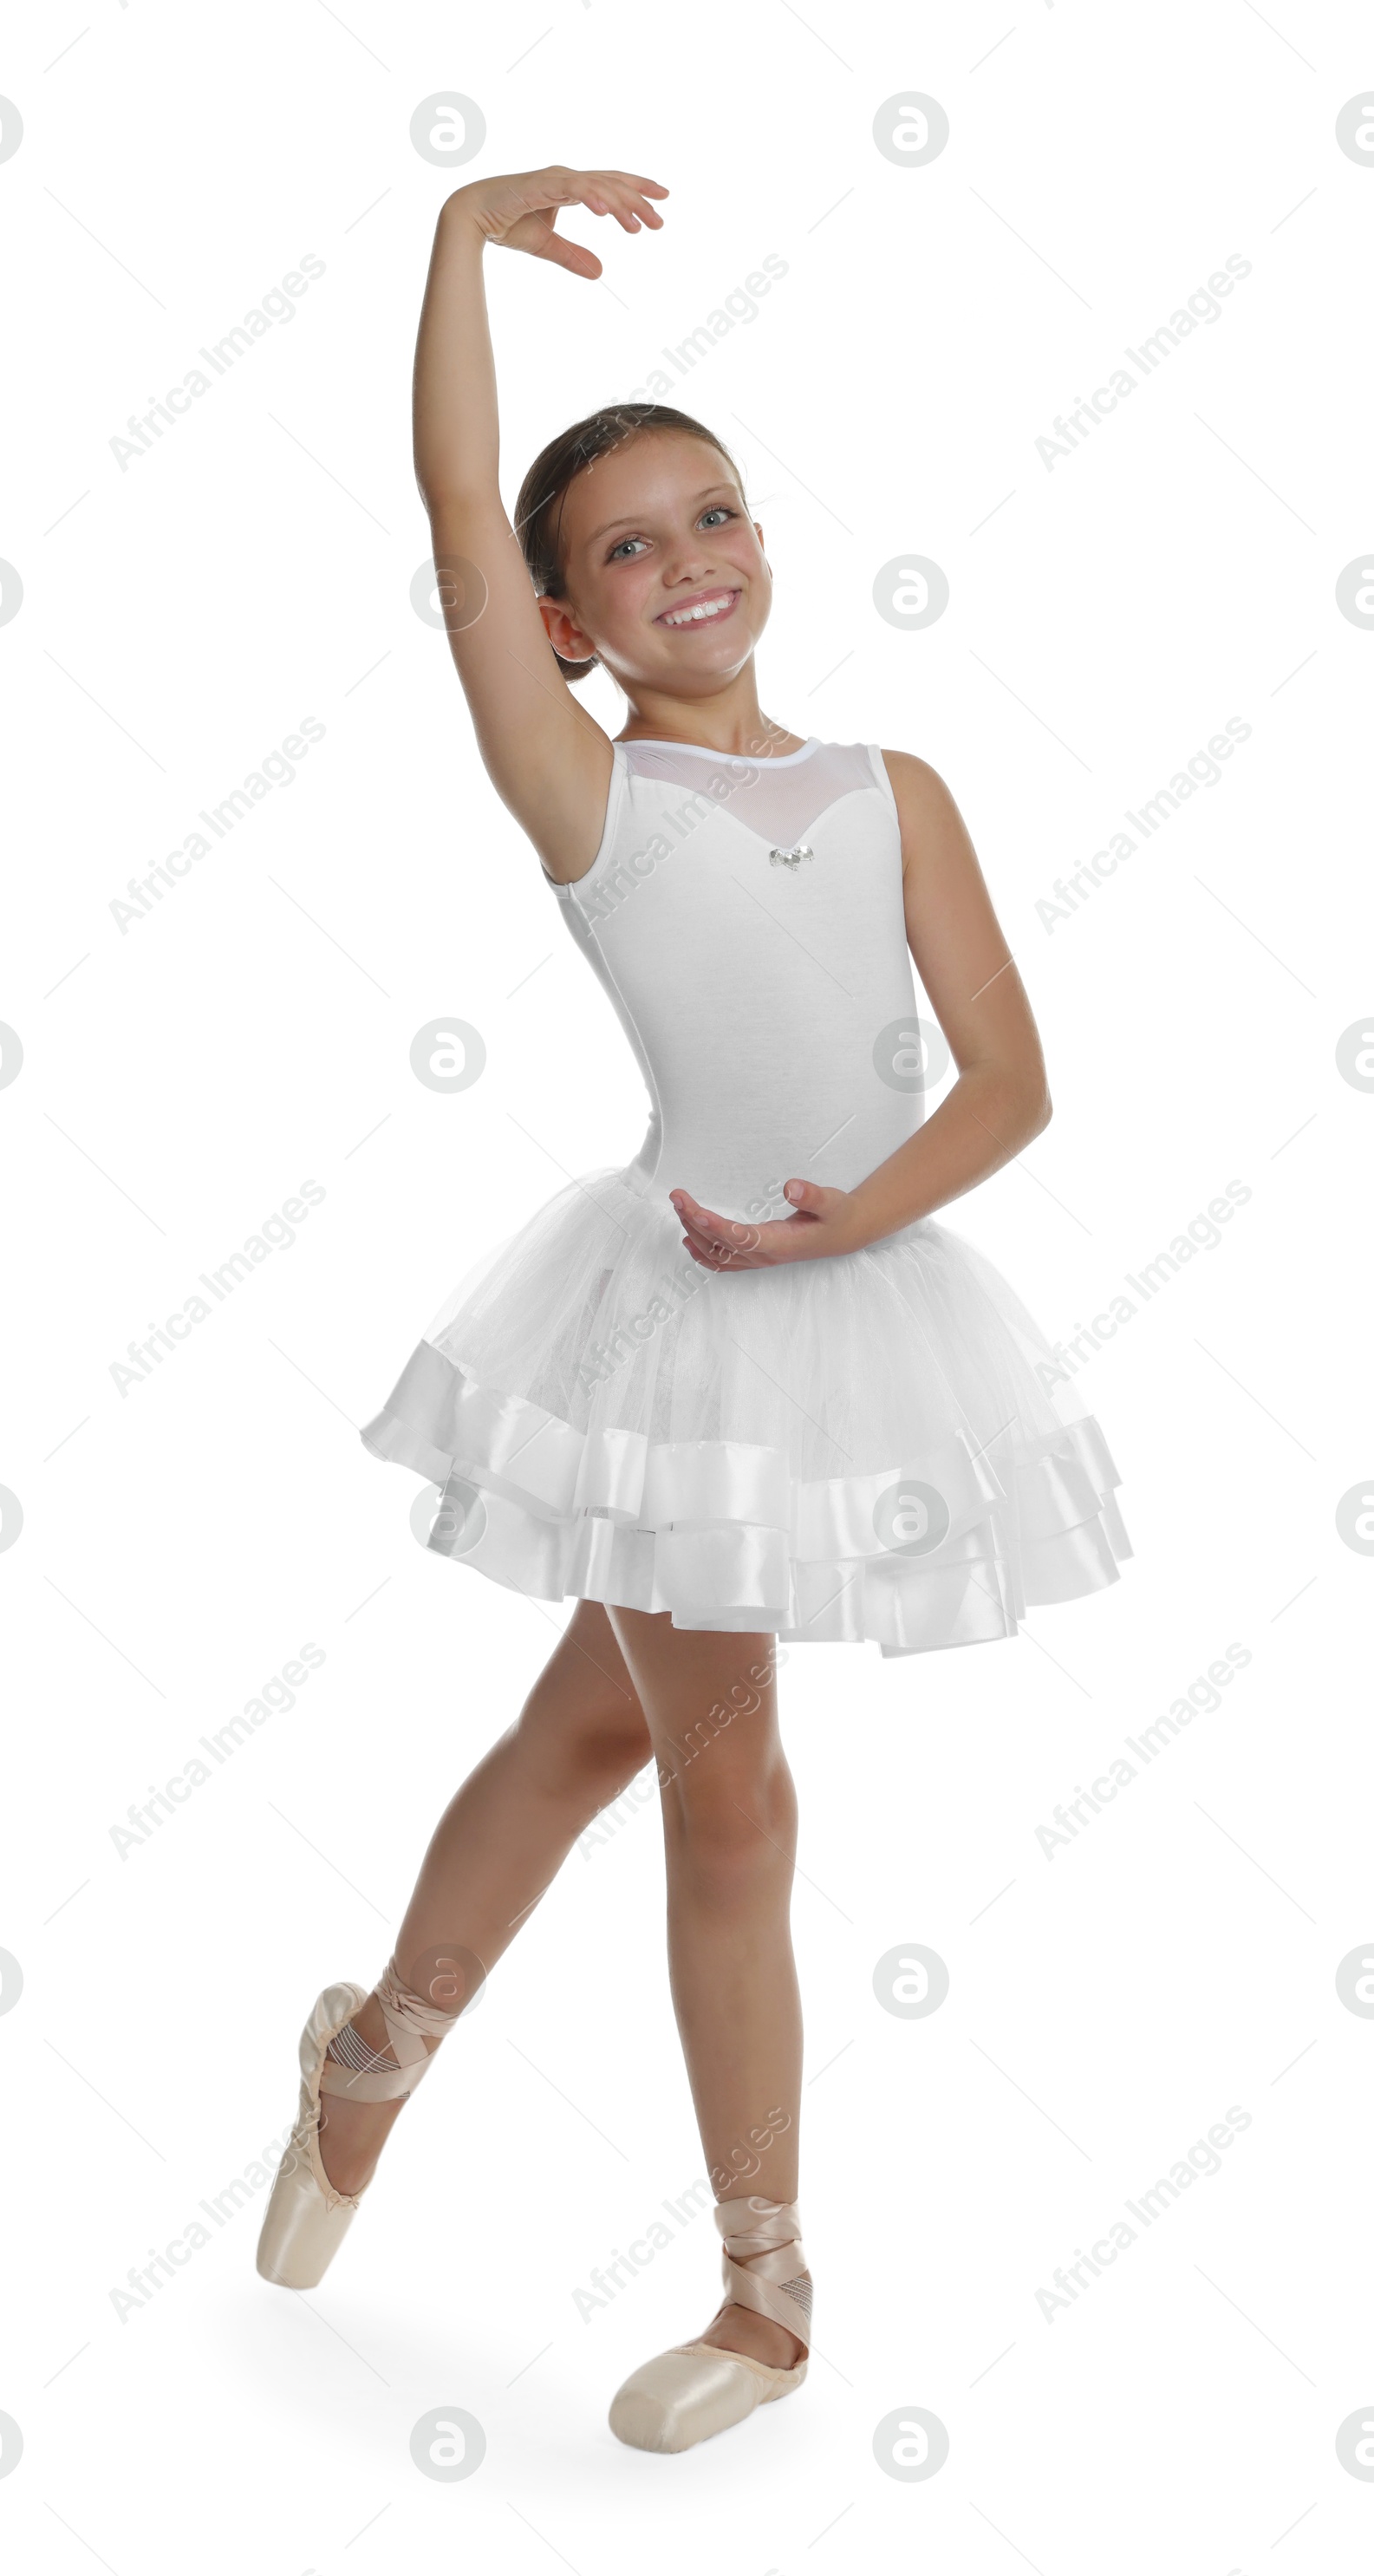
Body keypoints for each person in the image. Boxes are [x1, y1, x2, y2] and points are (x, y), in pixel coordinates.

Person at [256, 164, 1133, 2454]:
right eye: (627, 547)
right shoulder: (585, 787)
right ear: (563, 619)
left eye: (713, 510)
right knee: (731, 1800)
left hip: (838, 1302)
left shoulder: (892, 786)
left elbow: (1013, 1080)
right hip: (662, 1326)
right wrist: (452, 240)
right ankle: (770, 2295)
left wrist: (847, 1230)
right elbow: (457, 512)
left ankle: (372, 2046)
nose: (690, 561)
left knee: (598, 1732)